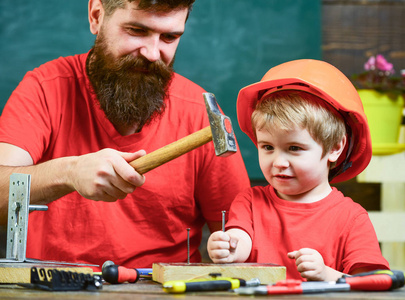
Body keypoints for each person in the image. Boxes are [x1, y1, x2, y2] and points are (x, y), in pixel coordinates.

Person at [0, 0, 250, 270]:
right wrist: (69, 172)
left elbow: (242, 231)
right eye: (136, 31)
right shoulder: (45, 89)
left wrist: (235, 246)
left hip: (165, 291)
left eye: (169, 37)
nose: (153, 53)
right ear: (97, 16)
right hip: (57, 286)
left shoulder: (199, 113)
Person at [207, 59, 390, 281]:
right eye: (267, 147)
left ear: (335, 147)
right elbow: (241, 238)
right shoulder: (250, 202)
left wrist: (326, 274)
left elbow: (373, 282)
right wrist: (229, 247)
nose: (278, 162)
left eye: (294, 148)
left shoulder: (352, 219)